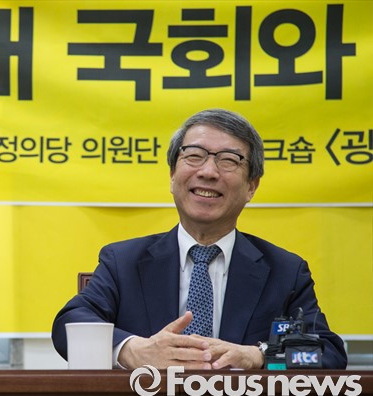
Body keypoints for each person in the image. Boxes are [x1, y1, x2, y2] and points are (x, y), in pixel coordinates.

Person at [51, 109, 347, 370]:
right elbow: (70, 324)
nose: (208, 172)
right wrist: (132, 350)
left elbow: (327, 353)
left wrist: (258, 355)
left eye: (229, 160)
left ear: (251, 187)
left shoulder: (285, 271)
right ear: (172, 175)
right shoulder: (124, 262)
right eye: (194, 155)